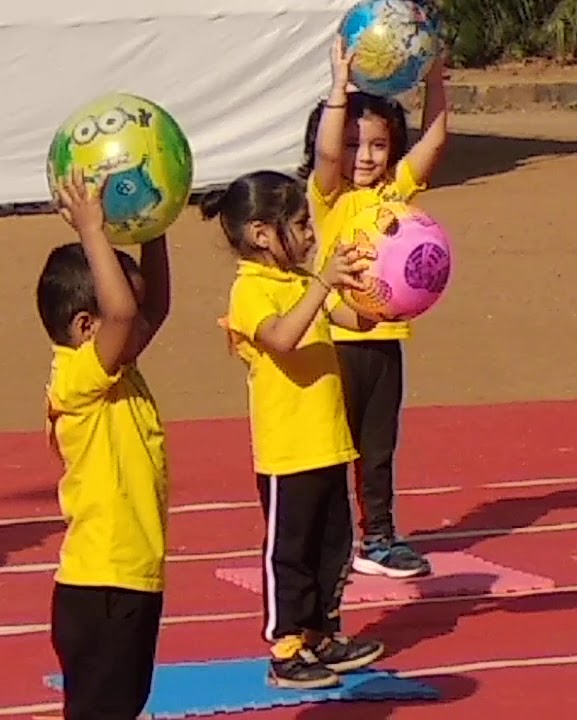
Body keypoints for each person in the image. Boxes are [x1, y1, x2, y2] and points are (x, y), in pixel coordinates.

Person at [207, 170, 384, 690]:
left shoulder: (303, 283)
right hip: (288, 451)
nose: (311, 236)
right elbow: (282, 338)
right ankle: (285, 646)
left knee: (333, 545)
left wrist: (379, 289)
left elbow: (357, 321)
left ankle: (323, 632)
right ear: (262, 234)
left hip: (329, 440)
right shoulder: (251, 290)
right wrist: (326, 282)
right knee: (291, 550)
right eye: (302, 225)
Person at [298, 39, 449, 579]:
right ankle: (327, 539)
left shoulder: (396, 193)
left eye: (378, 146)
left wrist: (433, 81)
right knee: (331, 447)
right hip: (334, 341)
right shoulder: (327, 195)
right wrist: (340, 89)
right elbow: (327, 157)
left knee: (377, 448)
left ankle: (379, 538)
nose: (365, 157)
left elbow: (434, 142)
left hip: (384, 341)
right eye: (356, 145)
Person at [39, 171, 171, 720]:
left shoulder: (120, 369)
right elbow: (124, 313)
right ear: (85, 325)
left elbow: (152, 308)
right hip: (101, 588)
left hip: (131, 581)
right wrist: (93, 230)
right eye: (122, 316)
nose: (137, 325)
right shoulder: (77, 377)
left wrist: (153, 227)